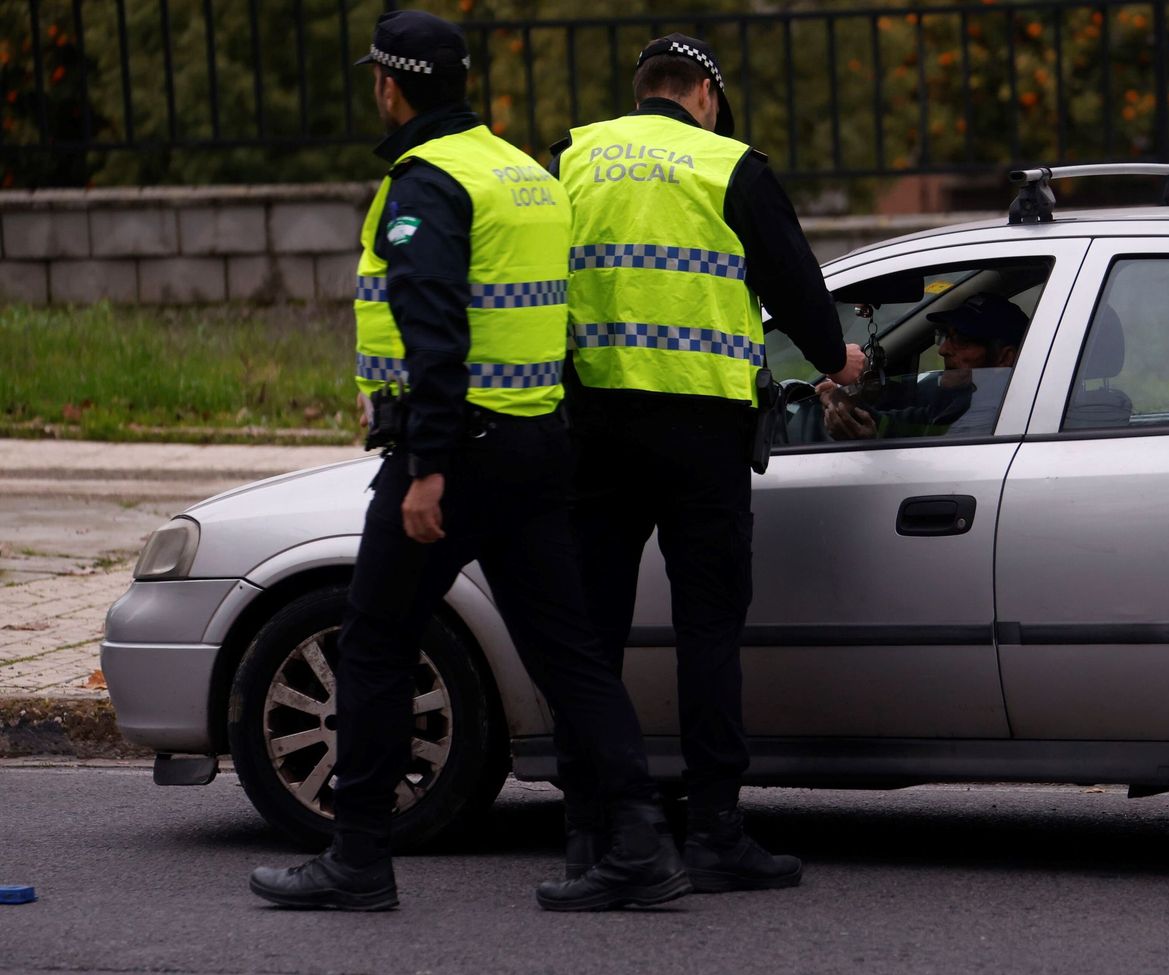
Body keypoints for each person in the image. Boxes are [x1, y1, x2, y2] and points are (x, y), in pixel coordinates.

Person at [250, 10, 688, 913]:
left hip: (455, 454)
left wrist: (424, 466)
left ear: (390, 85)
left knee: (373, 644)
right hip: (533, 445)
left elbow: (435, 331)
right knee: (570, 658)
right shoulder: (522, 171)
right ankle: (638, 842)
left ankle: (359, 859)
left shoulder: (429, 183)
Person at [542, 33, 865, 900]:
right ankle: (717, 832)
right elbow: (797, 286)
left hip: (594, 428)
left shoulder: (574, 155)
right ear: (706, 97)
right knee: (709, 636)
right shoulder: (730, 167)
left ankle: (589, 833)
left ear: (642, 91)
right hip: (702, 436)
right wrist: (840, 360)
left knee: (590, 639)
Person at [819, 292, 1028, 441]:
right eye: (946, 336)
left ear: (1005, 358)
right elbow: (899, 423)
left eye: (962, 341)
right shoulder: (958, 400)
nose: (943, 349)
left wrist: (872, 439)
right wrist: (844, 399)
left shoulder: (996, 417)